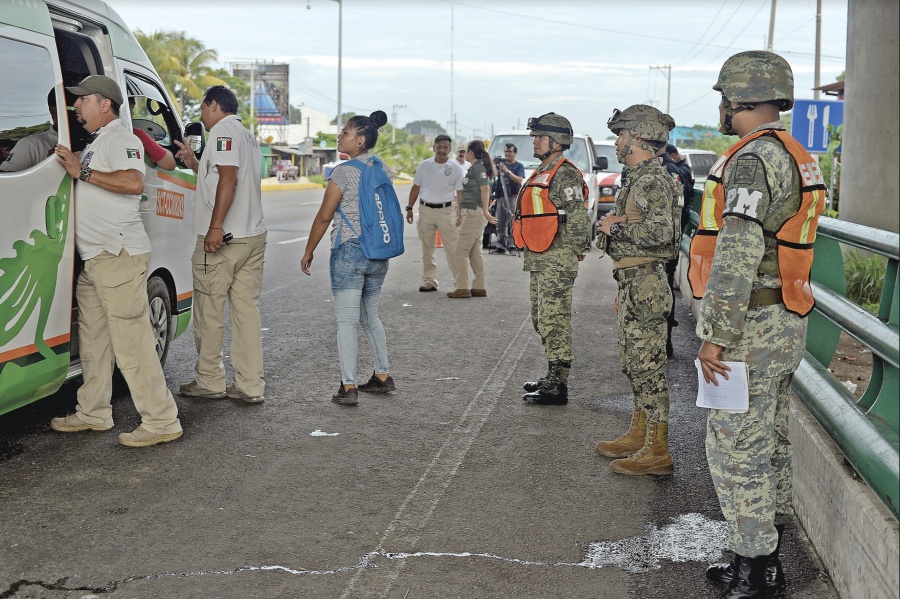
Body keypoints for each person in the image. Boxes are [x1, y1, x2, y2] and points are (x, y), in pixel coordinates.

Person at [690, 51, 824, 599]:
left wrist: (715, 334)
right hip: (783, 318)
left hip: (748, 324)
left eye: (724, 98)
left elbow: (737, 252)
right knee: (768, 438)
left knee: (735, 445)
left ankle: (756, 572)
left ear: (737, 100)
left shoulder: (751, 160)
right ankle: (765, 554)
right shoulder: (795, 154)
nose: (722, 108)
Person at [50, 75, 182, 447]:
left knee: (133, 342)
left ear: (104, 103)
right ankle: (93, 411)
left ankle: (161, 420)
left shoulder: (122, 138)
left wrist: (82, 171)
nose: (76, 107)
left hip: (117, 255)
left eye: (82, 101)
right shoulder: (99, 142)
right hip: (97, 258)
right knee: (94, 341)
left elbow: (133, 183)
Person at [595, 104, 680, 476]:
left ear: (636, 137)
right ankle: (641, 433)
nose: (617, 142)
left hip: (646, 281)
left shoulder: (652, 181)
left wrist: (614, 228)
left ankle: (657, 449)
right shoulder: (636, 177)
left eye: (620, 135)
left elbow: (663, 236)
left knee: (648, 367)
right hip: (632, 281)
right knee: (634, 363)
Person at [173, 85, 267, 404]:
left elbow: (229, 178)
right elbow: (218, 176)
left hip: (224, 240)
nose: (201, 115)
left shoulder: (223, 132)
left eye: (202, 107)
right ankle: (250, 385)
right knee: (245, 314)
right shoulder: (247, 135)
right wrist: (194, 163)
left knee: (209, 312)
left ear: (214, 105)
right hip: (252, 237)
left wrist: (215, 227)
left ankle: (211, 381)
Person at [301, 111, 397, 406]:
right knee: (370, 317)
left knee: (346, 320)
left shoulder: (342, 172)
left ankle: (349, 385)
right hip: (378, 253)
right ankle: (382, 376)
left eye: (345, 133)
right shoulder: (384, 170)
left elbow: (324, 216)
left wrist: (308, 250)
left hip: (350, 251)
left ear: (361, 140)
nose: (339, 136)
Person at [516, 113, 590, 406]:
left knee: (554, 320)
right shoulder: (543, 170)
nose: (534, 141)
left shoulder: (565, 173)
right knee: (541, 318)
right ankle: (552, 376)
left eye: (540, 136)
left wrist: (572, 253)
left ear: (556, 142)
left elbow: (578, 218)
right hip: (540, 256)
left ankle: (558, 385)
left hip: (556, 259)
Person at [406, 134, 465, 293]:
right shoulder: (424, 166)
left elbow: (460, 192)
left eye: (445, 147)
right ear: (434, 148)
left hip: (447, 211)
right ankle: (429, 280)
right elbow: (416, 188)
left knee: (452, 248)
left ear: (450, 149)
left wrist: (460, 214)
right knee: (427, 248)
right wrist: (409, 208)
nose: (442, 150)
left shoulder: (456, 168)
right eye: (439, 147)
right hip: (426, 211)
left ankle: (460, 282)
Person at [450, 140, 498, 298]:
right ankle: (478, 286)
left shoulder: (478, 169)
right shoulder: (475, 168)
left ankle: (462, 287)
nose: (464, 154)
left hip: (474, 213)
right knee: (475, 252)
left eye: (467, 151)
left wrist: (485, 211)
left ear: (471, 152)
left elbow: (485, 189)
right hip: (471, 212)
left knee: (460, 251)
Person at [658, 142, 693, 357]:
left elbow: (679, 201)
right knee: (664, 288)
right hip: (670, 236)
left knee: (663, 289)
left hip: (665, 240)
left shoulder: (669, 169)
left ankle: (665, 342)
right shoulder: (675, 168)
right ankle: (663, 342)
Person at [0, 89, 58, 172]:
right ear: (53, 111)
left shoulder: (81, 140)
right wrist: (48, 164)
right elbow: (6, 179)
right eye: (72, 106)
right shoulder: (30, 144)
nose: (77, 106)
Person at [128, 96, 176, 171]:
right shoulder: (135, 134)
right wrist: (167, 151)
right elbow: (169, 164)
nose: (133, 113)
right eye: (131, 108)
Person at [493, 143, 525, 254]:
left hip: (512, 196)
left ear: (514, 153)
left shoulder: (518, 166)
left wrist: (507, 171)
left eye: (509, 152)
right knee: (500, 221)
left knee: (512, 221)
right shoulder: (500, 166)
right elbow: (493, 177)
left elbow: (519, 180)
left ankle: (512, 245)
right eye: (506, 151)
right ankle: (501, 245)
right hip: (501, 196)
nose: (507, 154)